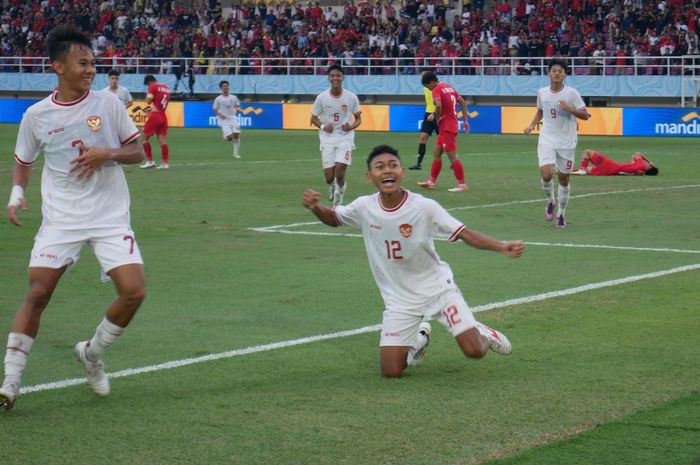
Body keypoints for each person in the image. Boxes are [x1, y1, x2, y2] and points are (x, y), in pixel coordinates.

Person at [0, 25, 147, 411]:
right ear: (58, 67)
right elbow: (23, 162)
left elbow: (138, 153)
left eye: (93, 63)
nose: (91, 70)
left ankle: (92, 353)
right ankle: (10, 383)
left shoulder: (108, 104)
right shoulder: (36, 115)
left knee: (134, 291)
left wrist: (107, 153)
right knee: (37, 294)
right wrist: (17, 195)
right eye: (82, 63)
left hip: (109, 215)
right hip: (62, 218)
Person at [301, 144, 525, 378]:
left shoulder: (423, 207)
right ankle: (419, 339)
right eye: (380, 167)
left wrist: (501, 246)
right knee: (391, 371)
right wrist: (316, 207)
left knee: (475, 351)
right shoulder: (364, 207)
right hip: (399, 301)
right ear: (370, 177)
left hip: (438, 291)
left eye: (393, 165)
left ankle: (482, 332)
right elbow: (334, 218)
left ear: (402, 173)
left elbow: (463, 233)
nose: (387, 171)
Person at [524, 58, 589, 229]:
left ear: (565, 74)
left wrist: (569, 109)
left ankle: (561, 213)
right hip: (547, 138)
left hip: (567, 141)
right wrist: (531, 125)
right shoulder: (542, 92)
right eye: (554, 70)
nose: (557, 73)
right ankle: (550, 200)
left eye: (560, 71)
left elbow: (586, 115)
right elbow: (540, 110)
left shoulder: (572, 93)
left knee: (563, 179)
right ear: (549, 73)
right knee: (546, 174)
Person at [310, 64, 362, 207]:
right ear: (329, 78)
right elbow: (313, 118)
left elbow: (358, 118)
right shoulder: (322, 98)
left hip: (345, 138)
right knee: (329, 178)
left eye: (338, 75)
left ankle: (337, 205)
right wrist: (323, 126)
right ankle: (332, 186)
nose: (335, 78)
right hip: (327, 139)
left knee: (340, 171)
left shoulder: (351, 97)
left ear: (343, 77)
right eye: (332, 76)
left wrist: (351, 126)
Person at [416, 71, 470, 193]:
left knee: (452, 157)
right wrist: (465, 121)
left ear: (431, 82)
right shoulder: (448, 86)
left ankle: (462, 185)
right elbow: (463, 102)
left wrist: (437, 117)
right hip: (450, 125)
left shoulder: (436, 89)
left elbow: (439, 105)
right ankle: (431, 181)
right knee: (436, 152)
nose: (428, 90)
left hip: (447, 127)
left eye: (427, 87)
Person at [139, 74, 172, 170]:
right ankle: (165, 163)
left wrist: (148, 94)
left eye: (147, 85)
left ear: (149, 82)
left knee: (144, 138)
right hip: (163, 115)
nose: (148, 87)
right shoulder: (166, 88)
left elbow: (148, 101)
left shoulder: (153, 86)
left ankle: (150, 161)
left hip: (155, 116)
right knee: (162, 140)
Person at [409, 71, 439, 170]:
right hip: (428, 114)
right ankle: (418, 164)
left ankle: (454, 159)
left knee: (444, 140)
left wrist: (434, 113)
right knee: (422, 137)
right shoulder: (425, 87)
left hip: (438, 113)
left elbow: (440, 103)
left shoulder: (437, 87)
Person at [213, 80, 242, 159]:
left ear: (228, 87)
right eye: (224, 86)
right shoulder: (218, 99)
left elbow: (238, 106)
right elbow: (214, 109)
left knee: (237, 135)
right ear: (221, 88)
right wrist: (220, 114)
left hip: (233, 117)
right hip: (224, 119)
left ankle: (235, 153)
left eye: (227, 86)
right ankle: (226, 137)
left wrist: (238, 109)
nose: (225, 87)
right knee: (230, 137)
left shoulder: (233, 97)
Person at [572, 150, 659, 176]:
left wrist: (648, 161)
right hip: (609, 172)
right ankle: (565, 171)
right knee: (588, 170)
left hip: (610, 166)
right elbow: (633, 159)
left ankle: (582, 170)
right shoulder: (639, 171)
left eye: (649, 166)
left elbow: (637, 153)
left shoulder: (641, 165)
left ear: (649, 168)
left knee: (587, 152)